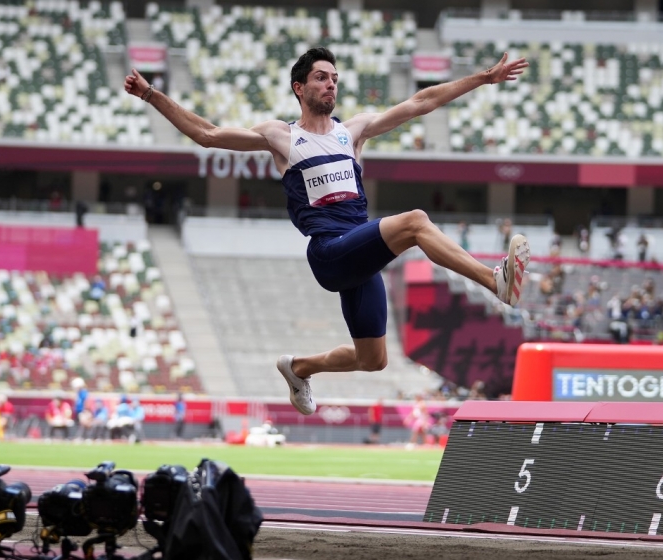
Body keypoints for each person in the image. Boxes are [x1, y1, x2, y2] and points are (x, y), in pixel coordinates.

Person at [125, 48, 531, 417]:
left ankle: (299, 368)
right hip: (329, 253)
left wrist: (482, 78)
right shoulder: (281, 136)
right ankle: (495, 282)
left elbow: (422, 102)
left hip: (360, 255)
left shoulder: (352, 132)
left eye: (335, 78)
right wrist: (150, 95)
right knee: (415, 221)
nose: (331, 84)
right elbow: (207, 135)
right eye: (321, 77)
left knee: (373, 359)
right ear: (299, 88)